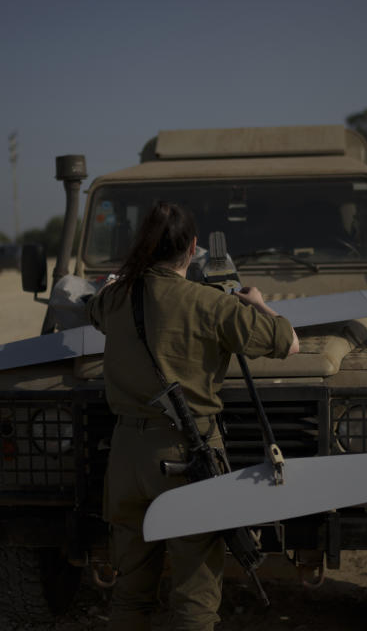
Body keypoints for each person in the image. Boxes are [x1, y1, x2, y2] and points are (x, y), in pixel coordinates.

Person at [86, 201, 299, 630]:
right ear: (193, 249)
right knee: (194, 600)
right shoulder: (211, 305)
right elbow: (288, 342)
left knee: (129, 594)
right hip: (188, 460)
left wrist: (115, 281)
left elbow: (94, 308)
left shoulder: (116, 298)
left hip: (126, 460)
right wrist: (258, 303)